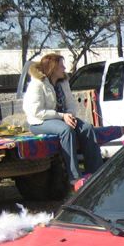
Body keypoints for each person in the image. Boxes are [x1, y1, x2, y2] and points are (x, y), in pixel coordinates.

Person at [23, 54, 103, 185]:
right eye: (61, 66)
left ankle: (96, 172)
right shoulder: (37, 84)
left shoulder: (63, 82)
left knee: (87, 128)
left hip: (61, 118)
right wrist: (62, 116)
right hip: (39, 121)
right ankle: (75, 177)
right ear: (53, 68)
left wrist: (70, 114)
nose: (64, 68)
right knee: (66, 130)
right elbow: (36, 111)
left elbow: (70, 104)